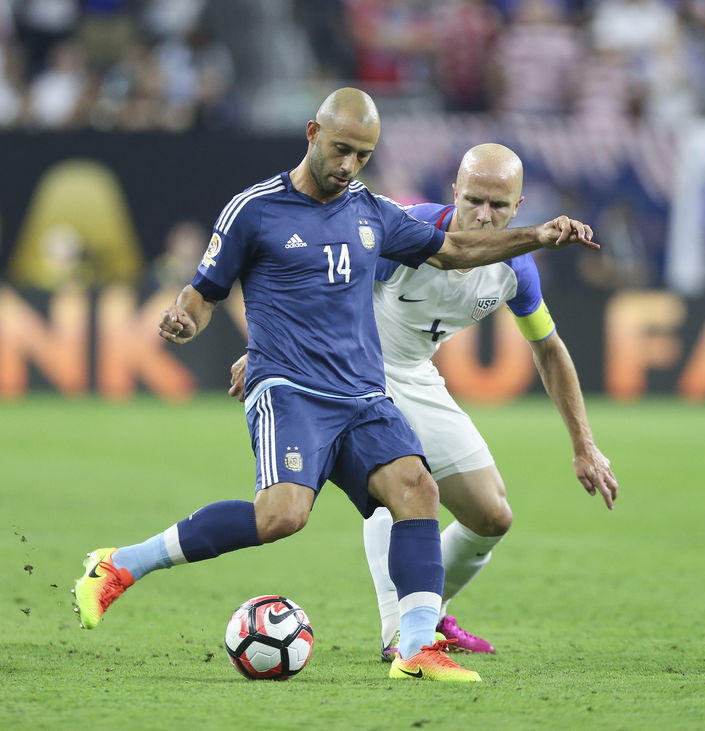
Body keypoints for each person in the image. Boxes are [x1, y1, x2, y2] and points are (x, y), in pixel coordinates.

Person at [73, 89, 597, 683]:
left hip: (364, 392)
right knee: (281, 518)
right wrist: (185, 318)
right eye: (341, 149)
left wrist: (538, 236)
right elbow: (203, 291)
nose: (348, 165)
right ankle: (119, 565)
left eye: (363, 155)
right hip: (292, 388)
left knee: (416, 490)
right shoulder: (254, 209)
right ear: (312, 134)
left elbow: (452, 251)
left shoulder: (372, 212)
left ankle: (416, 648)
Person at [229, 143, 618, 662]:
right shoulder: (406, 234)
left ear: (518, 206)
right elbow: (321, 282)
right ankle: (402, 633)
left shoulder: (515, 269)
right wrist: (269, 350)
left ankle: (428, 612)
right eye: (474, 199)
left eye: (498, 206)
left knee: (492, 516)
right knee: (401, 483)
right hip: (350, 370)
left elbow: (548, 348)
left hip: (416, 374)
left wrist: (584, 445)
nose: (484, 215)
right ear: (454, 191)